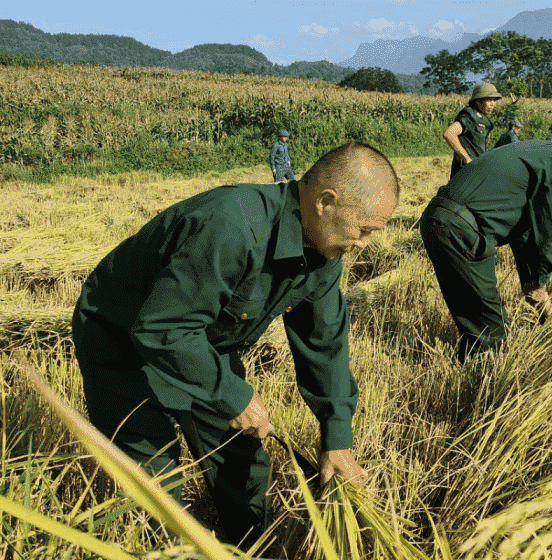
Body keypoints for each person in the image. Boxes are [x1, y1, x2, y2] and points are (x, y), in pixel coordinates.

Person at [71, 142, 399, 547]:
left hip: (202, 338)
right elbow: (164, 328)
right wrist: (231, 394)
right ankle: (166, 550)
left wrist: (337, 439)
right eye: (363, 229)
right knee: (153, 478)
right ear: (325, 202)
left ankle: (255, 548)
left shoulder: (325, 254)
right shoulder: (232, 225)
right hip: (122, 335)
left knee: (240, 459)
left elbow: (325, 343)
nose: (365, 243)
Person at [420, 127, 552, 362]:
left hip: (436, 219)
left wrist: (534, 285)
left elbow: (523, 235)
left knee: (473, 315)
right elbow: (548, 230)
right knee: (491, 329)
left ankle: (465, 367)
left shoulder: (538, 151)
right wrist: (541, 280)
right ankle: (484, 387)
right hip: (462, 229)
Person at [443, 82, 502, 179]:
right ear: (478, 101)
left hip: (477, 169)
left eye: (494, 100)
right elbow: (448, 134)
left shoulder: (484, 119)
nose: (493, 104)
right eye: (489, 100)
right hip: (465, 171)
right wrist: (467, 159)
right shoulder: (469, 116)